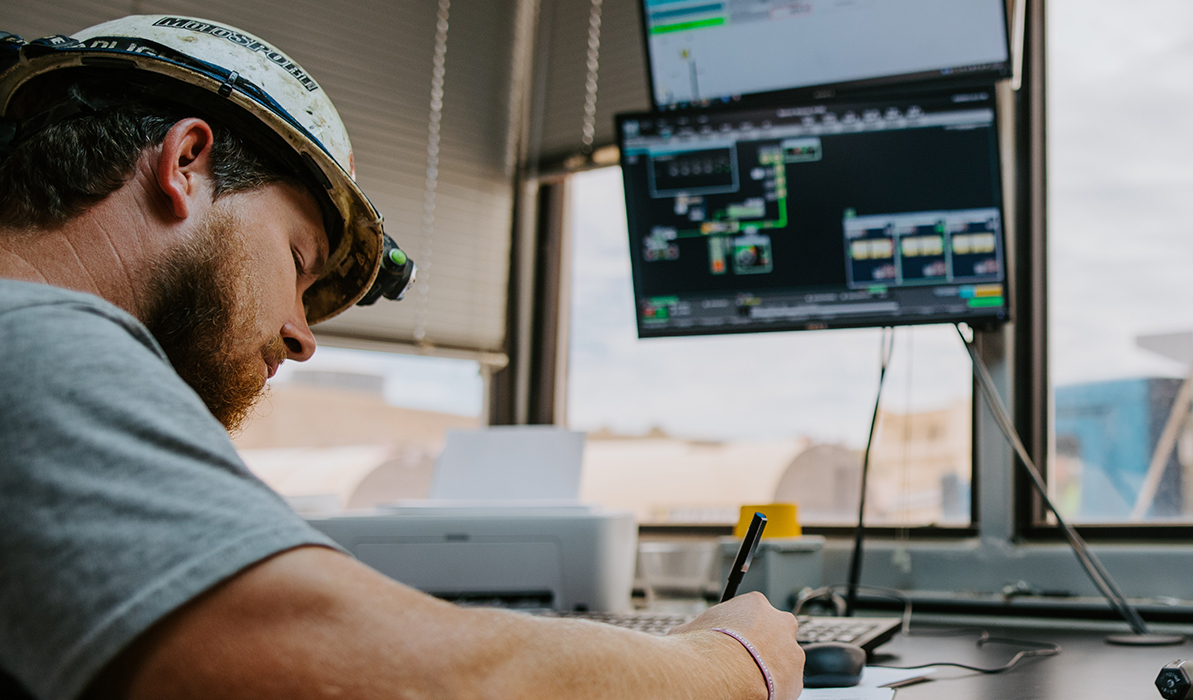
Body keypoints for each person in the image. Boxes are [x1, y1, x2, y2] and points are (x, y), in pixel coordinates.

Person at [0, 16, 802, 700]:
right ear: (185, 163)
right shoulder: (34, 339)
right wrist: (732, 661)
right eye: (297, 258)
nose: (301, 335)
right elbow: (409, 677)